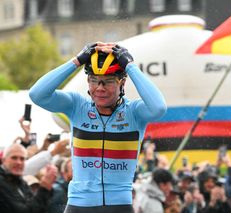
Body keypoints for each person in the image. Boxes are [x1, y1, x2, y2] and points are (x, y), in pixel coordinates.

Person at [29, 42, 167, 213]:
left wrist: (130, 66)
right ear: (88, 81)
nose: (99, 88)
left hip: (119, 205)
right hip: (78, 205)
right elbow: (37, 94)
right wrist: (77, 61)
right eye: (94, 81)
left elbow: (159, 107)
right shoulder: (77, 106)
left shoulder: (134, 112)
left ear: (122, 83)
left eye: (108, 82)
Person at [0, 143, 57, 213]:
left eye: (22, 159)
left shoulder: (21, 182)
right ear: (3, 160)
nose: (19, 162)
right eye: (14, 158)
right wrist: (44, 188)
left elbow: (38, 208)